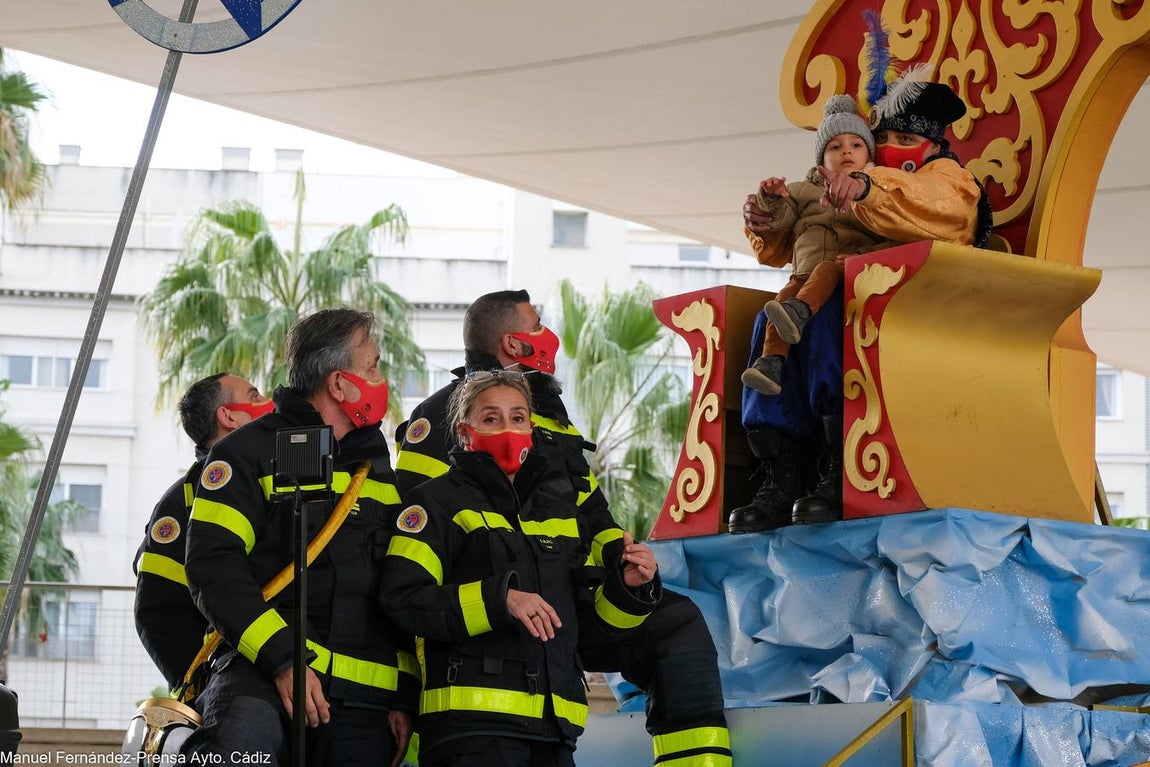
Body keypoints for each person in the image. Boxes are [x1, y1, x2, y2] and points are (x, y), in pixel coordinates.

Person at [396, 290, 733, 767]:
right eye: (538, 324)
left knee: (674, 622)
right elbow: (413, 542)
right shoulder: (439, 414)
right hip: (486, 620)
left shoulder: (552, 417)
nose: (511, 427)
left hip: (565, 596)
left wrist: (624, 564)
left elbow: (592, 513)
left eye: (517, 418)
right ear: (513, 343)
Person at [730, 66, 992, 534]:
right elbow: (788, 243)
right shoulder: (850, 180)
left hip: (912, 313)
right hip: (842, 289)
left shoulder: (947, 177)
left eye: (904, 139)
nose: (888, 148)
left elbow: (938, 208)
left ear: (932, 145)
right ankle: (781, 473)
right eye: (883, 137)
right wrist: (764, 216)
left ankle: (841, 464)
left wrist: (869, 187)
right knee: (766, 325)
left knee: (830, 318)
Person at [381, 371, 660, 767]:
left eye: (517, 417)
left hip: (555, 731)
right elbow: (403, 599)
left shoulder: (560, 511)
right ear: (464, 432)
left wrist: (627, 588)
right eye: (490, 418)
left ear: (531, 428)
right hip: (470, 731)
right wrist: (500, 601)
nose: (508, 429)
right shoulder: (434, 502)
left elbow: (581, 629)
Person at [181, 309, 418, 767]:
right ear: (339, 384)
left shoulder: (378, 470)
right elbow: (213, 566)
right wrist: (283, 659)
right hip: (262, 675)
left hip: (364, 703)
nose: (380, 379)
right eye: (372, 367)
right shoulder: (245, 453)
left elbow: (396, 588)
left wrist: (403, 696)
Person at [132, 372, 274, 690]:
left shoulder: (280, 476)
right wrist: (198, 684)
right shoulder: (180, 502)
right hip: (232, 678)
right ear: (228, 417)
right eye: (254, 396)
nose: (268, 402)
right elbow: (157, 610)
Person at [741, 94, 887, 397]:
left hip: (846, 268)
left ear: (869, 154)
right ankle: (771, 361)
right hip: (803, 273)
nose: (846, 150)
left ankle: (801, 311)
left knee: (824, 271)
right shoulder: (803, 190)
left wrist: (864, 254)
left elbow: (887, 227)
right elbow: (782, 217)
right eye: (835, 146)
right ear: (821, 159)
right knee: (779, 303)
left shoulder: (874, 188)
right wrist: (771, 199)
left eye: (856, 145)